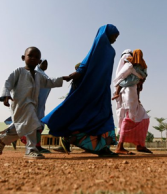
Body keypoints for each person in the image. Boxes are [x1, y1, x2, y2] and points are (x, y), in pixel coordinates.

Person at [42, 24, 120, 157]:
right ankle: (77, 140)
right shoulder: (99, 47)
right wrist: (75, 74)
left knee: (103, 114)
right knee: (85, 114)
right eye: (114, 36)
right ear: (108, 34)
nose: (115, 39)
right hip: (90, 87)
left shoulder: (111, 51)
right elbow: (86, 62)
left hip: (102, 89)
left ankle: (103, 147)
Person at [0, 47, 70, 159]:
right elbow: (7, 83)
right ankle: (31, 150)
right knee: (34, 124)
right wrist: (6, 95)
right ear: (23, 57)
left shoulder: (38, 75)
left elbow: (49, 82)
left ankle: (2, 139)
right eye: (30, 56)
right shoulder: (18, 71)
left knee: (21, 127)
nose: (33, 59)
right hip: (20, 104)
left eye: (36, 57)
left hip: (32, 105)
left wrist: (64, 78)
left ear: (38, 61)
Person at [113, 49, 152, 154]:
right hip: (126, 94)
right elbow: (118, 80)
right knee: (129, 118)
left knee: (144, 117)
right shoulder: (128, 66)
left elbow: (139, 84)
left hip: (133, 93)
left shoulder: (138, 68)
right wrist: (117, 92)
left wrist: (138, 98)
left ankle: (140, 144)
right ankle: (119, 147)